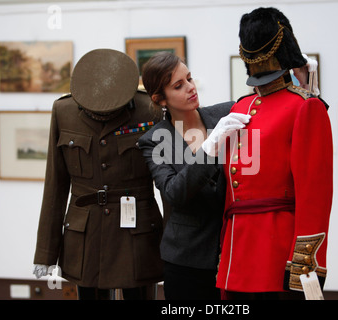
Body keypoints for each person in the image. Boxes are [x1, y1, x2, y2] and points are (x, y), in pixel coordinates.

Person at [215, 7, 333, 299]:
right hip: (236, 253)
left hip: (276, 252)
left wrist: (304, 265)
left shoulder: (304, 106)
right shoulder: (239, 108)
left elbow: (314, 195)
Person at [32, 49, 164, 300]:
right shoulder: (64, 111)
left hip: (137, 234)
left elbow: (167, 185)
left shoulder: (149, 110)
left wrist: (173, 247)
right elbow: (55, 187)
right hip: (86, 237)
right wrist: (45, 253)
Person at [137, 52, 249, 300]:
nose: (190, 87)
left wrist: (304, 85)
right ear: (160, 99)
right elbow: (174, 193)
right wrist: (209, 148)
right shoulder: (154, 141)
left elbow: (268, 109)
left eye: (189, 78)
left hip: (237, 252)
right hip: (187, 262)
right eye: (179, 85)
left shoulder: (225, 113)